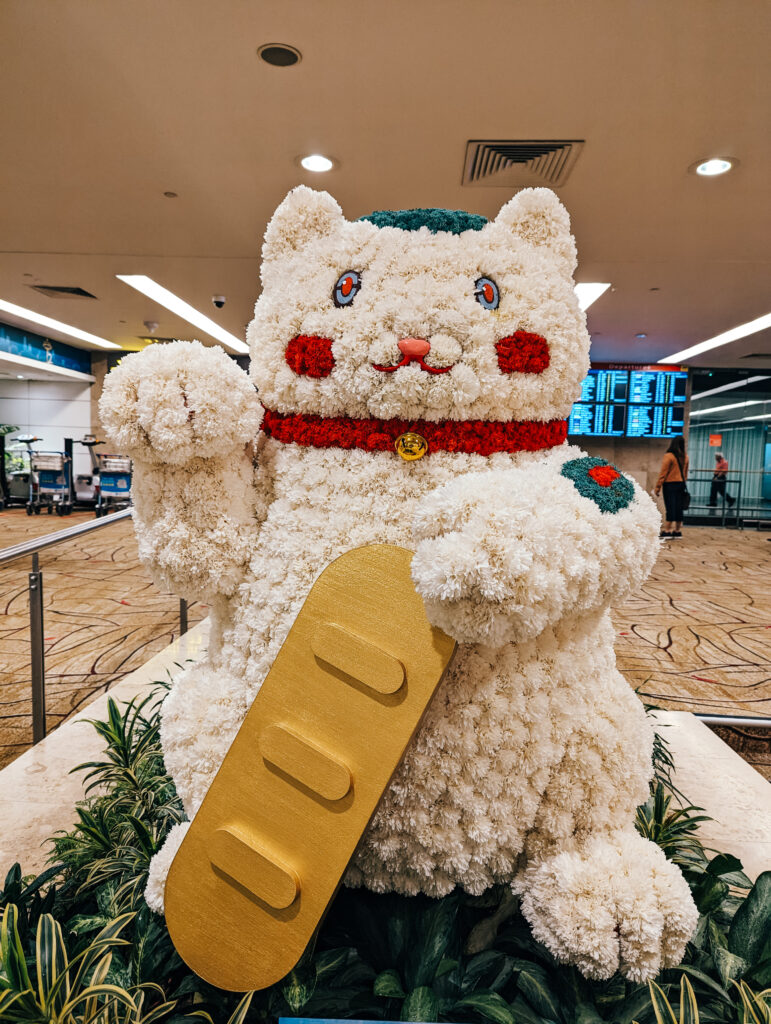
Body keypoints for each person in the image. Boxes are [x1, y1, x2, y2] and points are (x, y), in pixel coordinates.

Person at [654, 435, 688, 539]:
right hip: (681, 484)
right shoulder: (685, 457)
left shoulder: (669, 456)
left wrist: (657, 487)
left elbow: (663, 473)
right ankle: (677, 531)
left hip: (670, 484)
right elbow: (685, 473)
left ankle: (667, 530)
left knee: (670, 507)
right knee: (679, 507)